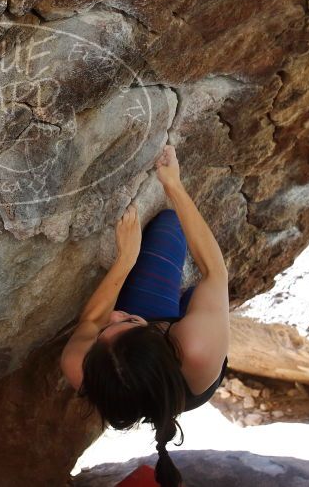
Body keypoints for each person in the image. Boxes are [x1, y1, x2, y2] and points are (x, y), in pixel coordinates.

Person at [60, 144, 230, 487]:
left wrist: (126, 258)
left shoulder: (81, 366)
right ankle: (177, 309)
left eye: (109, 328)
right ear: (158, 335)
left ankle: (160, 309)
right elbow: (215, 272)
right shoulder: (196, 349)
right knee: (175, 232)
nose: (117, 312)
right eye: (127, 321)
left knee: (165, 229)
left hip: (154, 347)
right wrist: (173, 186)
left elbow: (92, 321)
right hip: (184, 355)